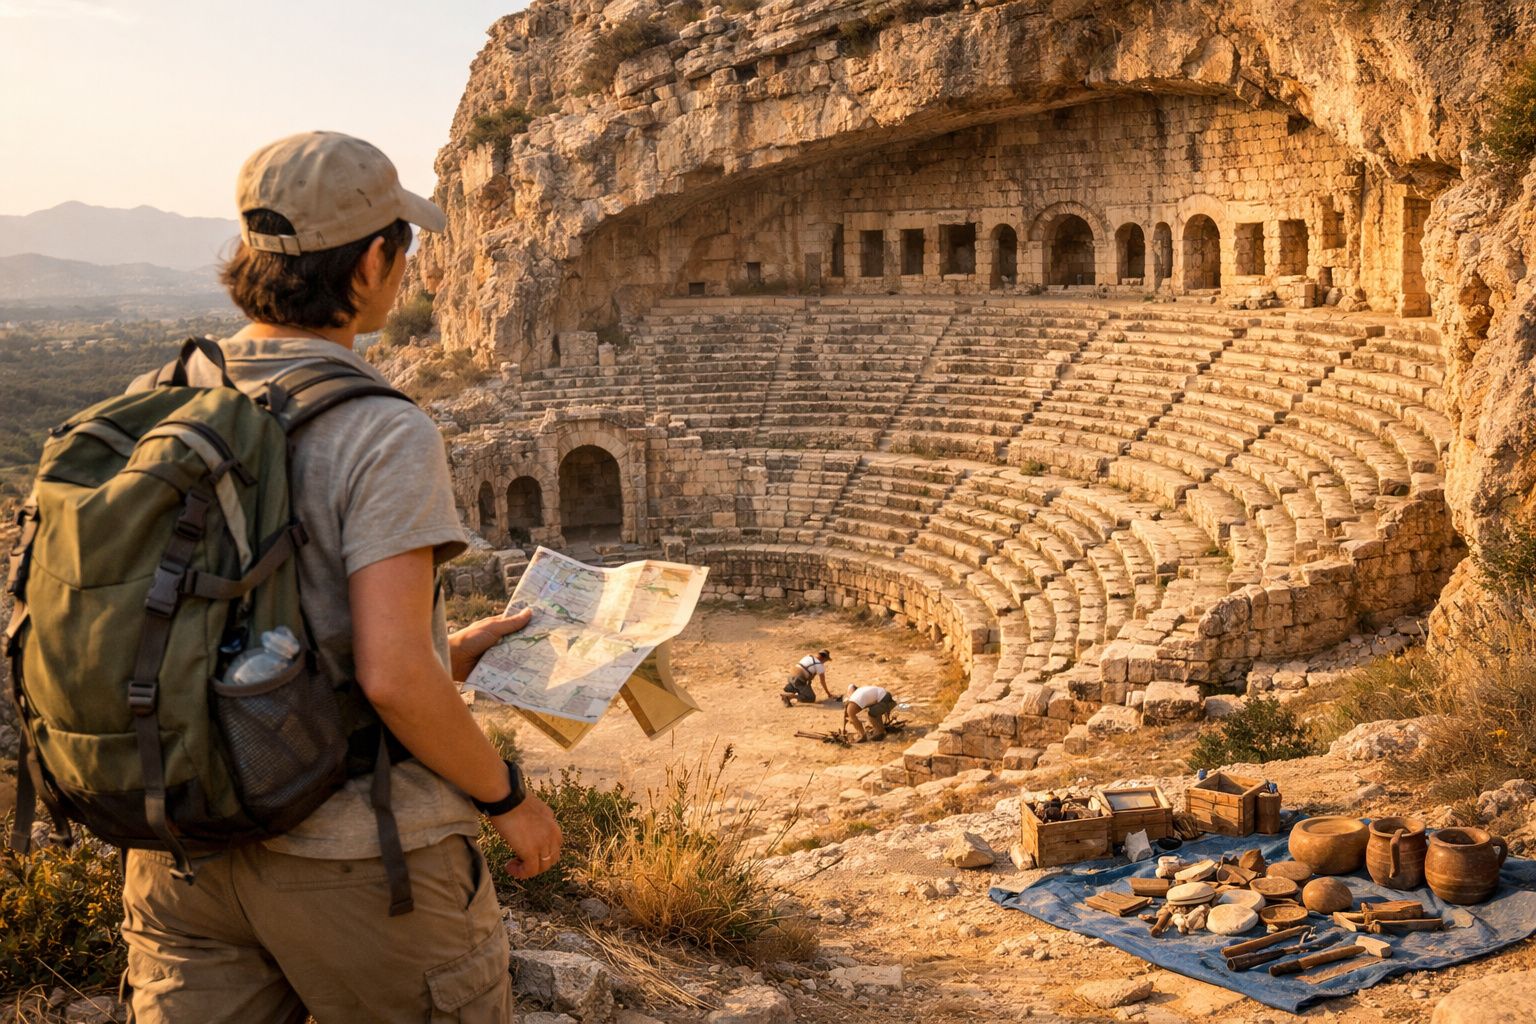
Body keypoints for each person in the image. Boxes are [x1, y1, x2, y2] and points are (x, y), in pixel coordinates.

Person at [118, 131, 561, 1023]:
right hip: (354, 861)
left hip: (180, 853)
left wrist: (454, 651)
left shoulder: (161, 398)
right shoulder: (381, 428)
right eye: (402, 248)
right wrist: (510, 799)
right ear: (369, 264)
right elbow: (392, 677)